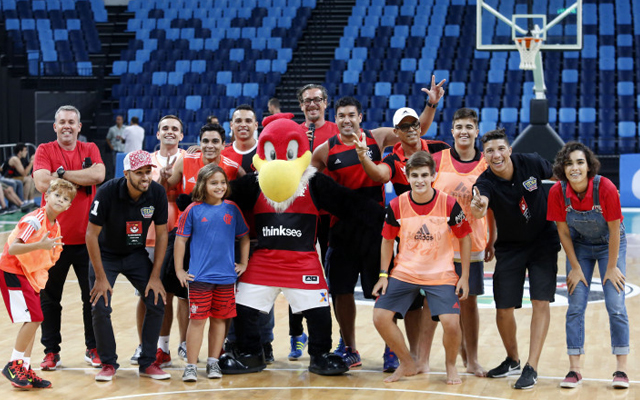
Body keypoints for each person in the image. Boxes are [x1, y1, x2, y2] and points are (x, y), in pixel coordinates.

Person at [311, 95, 400, 369]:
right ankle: (349, 347)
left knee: (383, 291)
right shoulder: (324, 151)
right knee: (341, 291)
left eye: (352, 115)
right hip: (342, 230)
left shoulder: (378, 137)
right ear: (335, 119)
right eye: (341, 116)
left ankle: (392, 349)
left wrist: (430, 105)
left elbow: (415, 131)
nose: (346, 120)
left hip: (376, 229)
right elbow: (308, 184)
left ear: (360, 117)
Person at [470, 128, 560, 390]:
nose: (496, 155)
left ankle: (531, 366)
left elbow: (558, 175)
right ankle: (513, 359)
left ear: (509, 150)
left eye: (500, 149)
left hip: (543, 240)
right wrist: (479, 207)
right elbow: (480, 205)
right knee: (503, 309)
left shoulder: (531, 162)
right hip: (510, 247)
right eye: (489, 151)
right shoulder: (484, 182)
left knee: (540, 302)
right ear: (484, 156)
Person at [372, 151, 471, 384]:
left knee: (451, 323)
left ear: (433, 176)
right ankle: (407, 362)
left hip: (440, 273)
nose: (420, 180)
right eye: (414, 175)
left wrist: (464, 276)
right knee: (380, 317)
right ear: (407, 177)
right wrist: (383, 274)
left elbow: (464, 237)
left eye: (424, 175)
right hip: (405, 272)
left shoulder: (448, 203)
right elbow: (387, 241)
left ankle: (450, 366)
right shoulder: (396, 205)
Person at [547, 142, 630, 389]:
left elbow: (615, 230)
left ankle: (621, 371)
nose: (575, 168)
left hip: (610, 245)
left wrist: (612, 267)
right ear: (563, 168)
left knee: (615, 305)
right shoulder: (557, 192)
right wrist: (574, 266)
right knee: (575, 306)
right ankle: (574, 370)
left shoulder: (605, 187)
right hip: (579, 246)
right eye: (569, 163)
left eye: (580, 162)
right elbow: (563, 232)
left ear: (589, 165)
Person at [87, 150, 170, 381]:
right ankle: (108, 363)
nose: (145, 177)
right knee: (100, 305)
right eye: (139, 173)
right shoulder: (107, 192)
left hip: (135, 254)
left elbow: (162, 235)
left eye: (148, 172)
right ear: (126, 174)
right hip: (106, 254)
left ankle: (147, 362)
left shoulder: (157, 192)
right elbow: (90, 235)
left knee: (156, 299)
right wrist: (101, 278)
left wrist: (155, 276)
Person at [33, 105, 104, 370]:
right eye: (61, 122)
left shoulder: (90, 149)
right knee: (50, 299)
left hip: (87, 240)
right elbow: (41, 183)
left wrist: (61, 175)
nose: (66, 126)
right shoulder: (44, 150)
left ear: (79, 127)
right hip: (51, 241)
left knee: (92, 297)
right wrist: (78, 181)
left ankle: (92, 347)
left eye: (71, 122)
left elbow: (98, 174)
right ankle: (51, 351)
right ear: (55, 126)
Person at [431, 108, 493, 377]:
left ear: (477, 132)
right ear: (452, 131)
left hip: (474, 244)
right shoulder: (437, 161)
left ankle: (472, 358)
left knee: (469, 304)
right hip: (440, 246)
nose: (464, 131)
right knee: (437, 304)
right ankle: (447, 356)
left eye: (469, 126)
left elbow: (493, 208)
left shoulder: (486, 165)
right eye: (459, 126)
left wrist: (494, 239)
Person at [175, 164, 250, 381]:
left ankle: (213, 362)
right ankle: (191, 365)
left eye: (222, 182)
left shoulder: (232, 209)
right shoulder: (193, 210)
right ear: (202, 184)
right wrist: (180, 269)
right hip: (200, 277)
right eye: (213, 182)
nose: (219, 186)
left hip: (226, 277)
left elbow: (244, 237)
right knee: (197, 320)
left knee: (219, 320)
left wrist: (243, 263)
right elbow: (181, 240)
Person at [0, 179, 76, 390]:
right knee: (35, 318)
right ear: (47, 196)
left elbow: (50, 254)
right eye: (57, 195)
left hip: (29, 274)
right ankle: (14, 364)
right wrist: (41, 244)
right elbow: (14, 248)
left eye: (65, 198)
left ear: (69, 206)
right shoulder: (35, 219)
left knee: (33, 320)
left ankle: (24, 367)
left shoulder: (55, 225)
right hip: (13, 270)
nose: (60, 200)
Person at [131, 115, 189, 368]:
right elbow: (141, 192)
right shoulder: (145, 161)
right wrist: (162, 179)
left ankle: (184, 345)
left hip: (184, 235)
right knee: (148, 295)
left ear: (182, 135)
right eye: (165, 127)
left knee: (184, 295)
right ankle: (149, 346)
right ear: (157, 134)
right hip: (151, 236)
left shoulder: (189, 157)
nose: (169, 132)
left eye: (175, 128)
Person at [221, 105, 259, 174]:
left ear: (256, 125)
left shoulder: (265, 151)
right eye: (238, 121)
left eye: (248, 121)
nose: (243, 125)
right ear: (231, 125)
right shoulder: (222, 153)